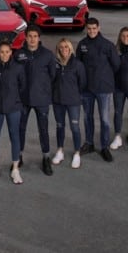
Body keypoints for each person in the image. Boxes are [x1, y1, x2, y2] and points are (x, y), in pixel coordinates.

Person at [76, 18, 120, 162]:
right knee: (87, 117)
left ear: (99, 28)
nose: (92, 31)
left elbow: (116, 65)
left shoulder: (108, 45)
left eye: (94, 28)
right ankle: (89, 143)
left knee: (104, 119)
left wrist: (104, 77)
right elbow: (78, 65)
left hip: (103, 88)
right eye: (89, 28)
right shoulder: (82, 45)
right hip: (86, 89)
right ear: (86, 29)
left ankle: (104, 147)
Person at [15, 25, 57, 176]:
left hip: (42, 99)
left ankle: (46, 158)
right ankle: (18, 157)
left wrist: (44, 90)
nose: (32, 39)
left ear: (39, 38)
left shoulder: (47, 55)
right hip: (23, 99)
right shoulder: (18, 54)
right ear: (25, 37)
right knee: (20, 129)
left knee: (43, 130)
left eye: (35, 36)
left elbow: (53, 76)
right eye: (30, 36)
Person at [0, 41, 26, 185]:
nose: (4, 54)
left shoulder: (18, 68)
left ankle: (15, 169)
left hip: (13, 108)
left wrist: (16, 101)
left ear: (11, 53)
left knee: (14, 137)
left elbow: (22, 87)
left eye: (7, 52)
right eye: (2, 52)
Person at [51, 38, 86, 168]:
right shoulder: (55, 64)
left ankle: (77, 153)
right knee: (60, 126)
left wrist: (75, 94)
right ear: (58, 49)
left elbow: (82, 83)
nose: (64, 49)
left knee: (75, 127)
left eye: (66, 47)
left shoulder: (77, 64)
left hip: (73, 102)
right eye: (61, 47)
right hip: (58, 101)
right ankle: (60, 150)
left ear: (70, 48)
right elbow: (51, 81)